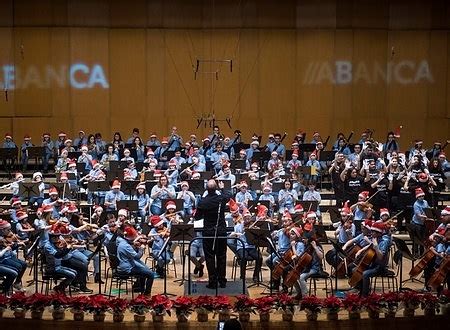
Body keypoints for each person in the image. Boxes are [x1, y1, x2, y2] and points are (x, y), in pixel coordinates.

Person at [194, 179, 232, 289]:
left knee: (210, 257)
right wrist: (222, 188)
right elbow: (228, 195)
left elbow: (197, 217)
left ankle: (212, 282)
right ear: (216, 189)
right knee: (221, 256)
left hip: (208, 232)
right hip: (220, 231)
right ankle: (222, 281)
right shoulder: (221, 198)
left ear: (206, 189)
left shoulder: (203, 201)